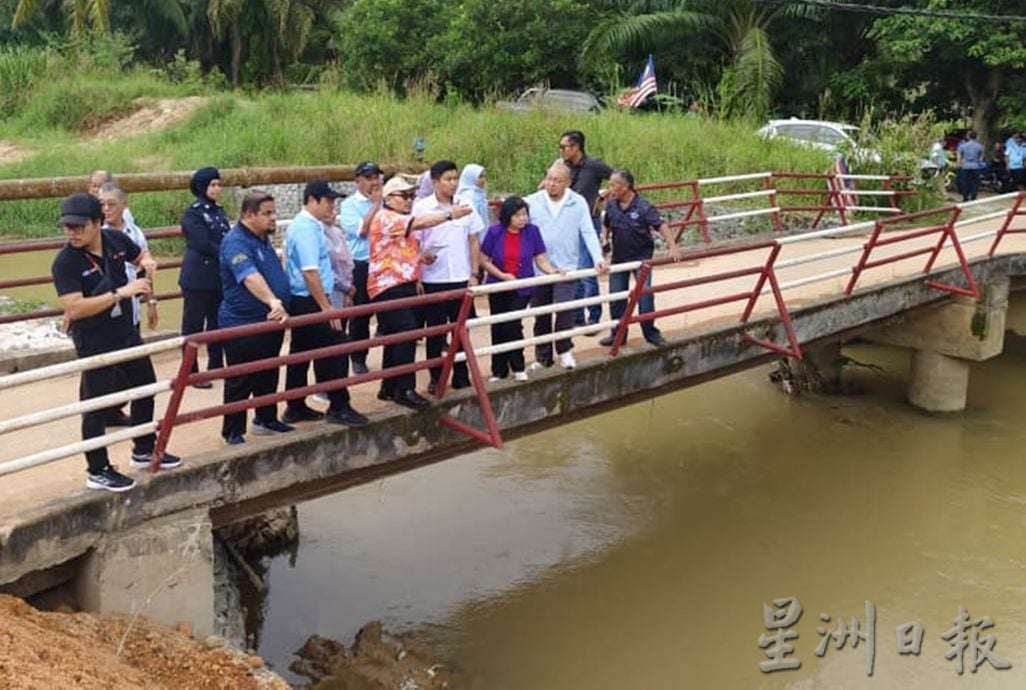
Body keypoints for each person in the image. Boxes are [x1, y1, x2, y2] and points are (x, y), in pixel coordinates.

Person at [51, 193, 182, 491]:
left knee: (145, 386)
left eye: (78, 226)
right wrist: (121, 293)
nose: (71, 232)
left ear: (98, 223)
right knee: (97, 406)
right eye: (67, 226)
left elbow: (141, 255)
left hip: (125, 332)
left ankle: (143, 449)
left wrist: (148, 263)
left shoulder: (115, 240)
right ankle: (97, 469)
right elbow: (74, 308)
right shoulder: (66, 262)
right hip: (94, 340)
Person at [368, 175, 472, 409]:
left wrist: (421, 259)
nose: (409, 200)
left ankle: (389, 386)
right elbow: (421, 223)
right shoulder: (386, 218)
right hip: (388, 285)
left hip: (401, 283)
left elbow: (398, 251)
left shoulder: (399, 220)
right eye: (404, 196)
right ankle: (404, 388)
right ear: (389, 198)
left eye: (411, 196)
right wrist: (449, 214)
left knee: (397, 336)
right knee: (407, 332)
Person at [282, 179, 369, 428]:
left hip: (307, 298)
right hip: (310, 299)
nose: (332, 206)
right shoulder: (306, 228)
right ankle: (339, 405)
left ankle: (295, 405)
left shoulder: (312, 225)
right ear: (312, 200)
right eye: (328, 201)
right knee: (337, 346)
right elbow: (310, 271)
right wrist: (326, 306)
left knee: (301, 351)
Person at [217, 191, 293, 446]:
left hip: (270, 320)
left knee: (268, 373)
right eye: (268, 213)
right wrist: (273, 300)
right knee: (240, 379)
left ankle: (265, 418)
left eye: (274, 212)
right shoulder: (235, 242)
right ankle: (232, 431)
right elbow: (249, 276)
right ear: (250, 215)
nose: (274, 218)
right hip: (243, 323)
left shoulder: (261, 239)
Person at [524, 162, 607, 370]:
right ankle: (543, 357)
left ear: (568, 183)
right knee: (541, 314)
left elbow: (587, 231)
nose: (551, 184)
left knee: (565, 311)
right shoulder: (531, 202)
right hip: (539, 269)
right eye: (549, 179)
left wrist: (598, 257)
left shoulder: (577, 202)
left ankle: (564, 350)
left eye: (557, 181)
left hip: (567, 267)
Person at [412, 160, 482, 394]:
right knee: (435, 331)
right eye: (448, 179)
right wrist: (421, 265)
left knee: (462, 330)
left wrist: (474, 273)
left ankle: (462, 375)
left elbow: (473, 240)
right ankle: (436, 376)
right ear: (435, 182)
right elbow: (414, 243)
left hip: (460, 276)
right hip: (434, 278)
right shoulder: (422, 207)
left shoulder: (466, 204)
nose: (453, 183)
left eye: (455, 178)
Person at [479, 196, 562, 381]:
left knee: (512, 324)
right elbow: (483, 260)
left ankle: (518, 366)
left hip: (522, 286)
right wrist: (502, 276)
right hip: (499, 285)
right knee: (499, 327)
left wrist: (552, 270)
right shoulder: (495, 232)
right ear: (508, 216)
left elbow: (540, 259)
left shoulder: (532, 231)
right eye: (518, 215)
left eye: (525, 214)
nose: (523, 218)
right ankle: (499, 370)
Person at [598, 169, 681, 348]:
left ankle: (651, 334)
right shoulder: (611, 205)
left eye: (614, 185)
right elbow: (606, 224)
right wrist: (604, 239)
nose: (610, 188)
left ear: (626, 186)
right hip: (619, 259)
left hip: (641, 260)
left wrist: (672, 245)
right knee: (617, 298)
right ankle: (618, 335)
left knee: (645, 297)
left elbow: (661, 225)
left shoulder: (644, 207)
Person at [179, 166, 230, 387]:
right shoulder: (193, 213)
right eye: (213, 185)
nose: (217, 189)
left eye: (219, 184)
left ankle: (216, 365)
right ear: (202, 187)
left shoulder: (219, 211)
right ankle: (191, 372)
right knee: (193, 325)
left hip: (217, 276)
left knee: (217, 322)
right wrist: (228, 253)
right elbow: (201, 243)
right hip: (197, 277)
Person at [559, 130, 612, 328]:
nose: (562, 150)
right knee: (573, 271)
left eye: (564, 147)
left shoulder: (593, 165)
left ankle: (594, 317)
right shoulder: (564, 167)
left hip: (589, 223)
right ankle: (578, 317)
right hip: (567, 225)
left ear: (576, 147)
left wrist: (604, 196)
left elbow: (617, 177)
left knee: (587, 270)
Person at [338, 161, 382, 375]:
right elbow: (362, 230)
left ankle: (363, 353)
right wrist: (375, 206)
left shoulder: (385, 202)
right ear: (358, 181)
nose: (374, 182)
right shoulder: (349, 205)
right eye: (369, 178)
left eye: (376, 177)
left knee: (377, 311)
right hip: (359, 263)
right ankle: (355, 356)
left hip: (382, 263)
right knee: (358, 312)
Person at [455, 163, 490, 236]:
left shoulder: (479, 193)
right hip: (474, 235)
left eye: (484, 176)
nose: (483, 179)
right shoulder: (468, 196)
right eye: (480, 177)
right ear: (471, 177)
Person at [956, 130, 985, 202]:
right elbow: (981, 158)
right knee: (975, 182)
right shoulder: (980, 146)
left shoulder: (963, 146)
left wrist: (959, 164)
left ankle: (965, 196)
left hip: (965, 166)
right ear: (976, 137)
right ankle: (973, 196)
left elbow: (959, 156)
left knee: (965, 181)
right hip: (975, 166)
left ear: (968, 137)